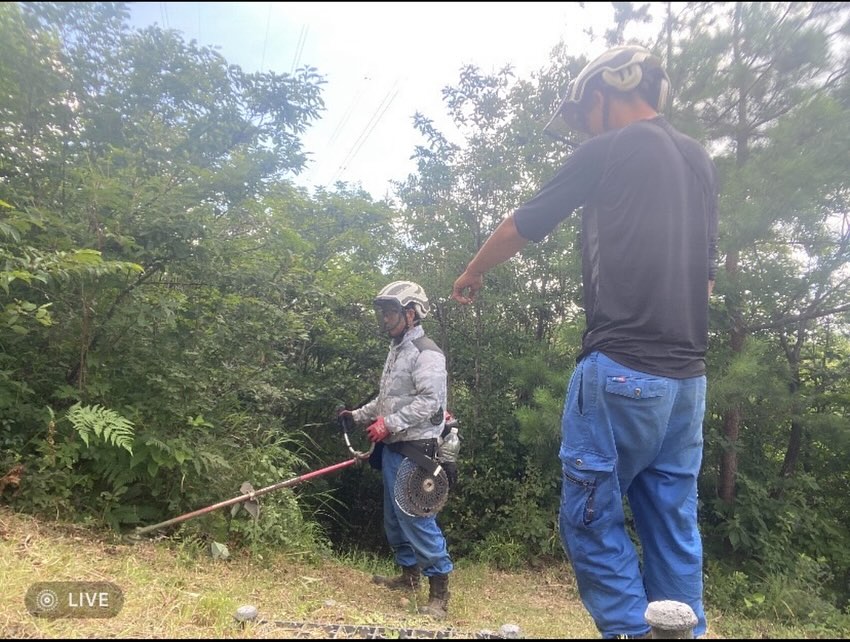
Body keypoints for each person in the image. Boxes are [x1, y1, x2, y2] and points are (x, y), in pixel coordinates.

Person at [451, 45, 718, 639]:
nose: (583, 124)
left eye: (583, 111)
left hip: (622, 369)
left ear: (605, 93)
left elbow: (525, 221)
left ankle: (631, 633)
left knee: (591, 518)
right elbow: (706, 276)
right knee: (672, 523)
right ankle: (684, 633)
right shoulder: (699, 159)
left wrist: (472, 272)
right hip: (688, 384)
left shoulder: (610, 147)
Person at [339, 280, 454, 620]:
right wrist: (358, 416)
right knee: (394, 517)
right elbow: (387, 399)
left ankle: (439, 592)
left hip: (415, 448)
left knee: (416, 516)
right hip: (392, 449)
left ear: (411, 313)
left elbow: (431, 402)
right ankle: (408, 576)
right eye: (383, 313)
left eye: (390, 313)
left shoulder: (427, 353)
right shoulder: (397, 350)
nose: (385, 319)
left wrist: (388, 424)